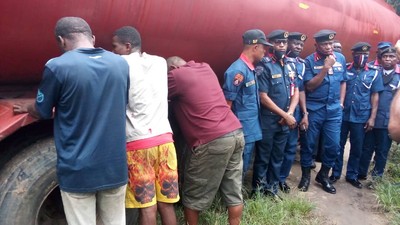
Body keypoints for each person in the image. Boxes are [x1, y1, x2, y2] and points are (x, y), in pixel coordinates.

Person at [13, 17, 129, 225]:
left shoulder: (58, 67)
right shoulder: (120, 64)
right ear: (92, 38)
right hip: (114, 167)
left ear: (62, 40)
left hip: (78, 170)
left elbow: (43, 111)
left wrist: (29, 105)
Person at [112, 26, 179, 225]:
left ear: (127, 46)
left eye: (115, 46)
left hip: (138, 145)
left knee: (147, 206)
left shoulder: (120, 63)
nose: (113, 51)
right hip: (165, 142)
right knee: (166, 203)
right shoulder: (159, 62)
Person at [167, 56, 244, 225]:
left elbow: (155, 95)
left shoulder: (176, 76)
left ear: (172, 68)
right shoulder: (206, 67)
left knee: (193, 193)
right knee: (233, 189)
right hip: (235, 132)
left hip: (211, 139)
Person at [330, 42, 383, 189]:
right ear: (353, 55)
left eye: (365, 55)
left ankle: (352, 175)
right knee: (337, 145)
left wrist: (372, 118)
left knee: (357, 147)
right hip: (343, 114)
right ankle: (335, 173)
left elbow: (375, 96)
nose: (362, 57)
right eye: (359, 54)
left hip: (361, 116)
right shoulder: (345, 69)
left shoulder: (374, 72)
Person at [252, 29, 299, 196]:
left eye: (284, 42)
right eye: (278, 42)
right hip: (269, 120)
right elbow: (263, 96)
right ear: (271, 44)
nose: (281, 45)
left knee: (278, 156)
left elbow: (296, 91)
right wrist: (284, 115)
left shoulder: (291, 64)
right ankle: (258, 190)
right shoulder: (264, 65)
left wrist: (290, 113)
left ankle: (271, 189)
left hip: (285, 120)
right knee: (263, 157)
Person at [301, 29, 347, 194]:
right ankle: (305, 176)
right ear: (316, 45)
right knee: (309, 144)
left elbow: (343, 81)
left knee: (334, 145)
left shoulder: (340, 58)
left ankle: (323, 175)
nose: (329, 47)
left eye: (331, 43)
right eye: (324, 44)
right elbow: (309, 86)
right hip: (315, 108)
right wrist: (325, 69)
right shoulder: (309, 61)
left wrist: (341, 102)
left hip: (334, 110)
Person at [223, 29, 272, 178]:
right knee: (237, 169)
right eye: (264, 47)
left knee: (243, 167)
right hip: (241, 130)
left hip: (250, 128)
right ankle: (233, 200)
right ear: (255, 47)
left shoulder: (249, 68)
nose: (265, 51)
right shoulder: (237, 70)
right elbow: (227, 105)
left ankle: (237, 197)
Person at [359, 47, 400, 179]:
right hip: (371, 118)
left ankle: (376, 178)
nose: (388, 59)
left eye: (391, 56)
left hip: (387, 121)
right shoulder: (374, 73)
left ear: (397, 58)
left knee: (382, 151)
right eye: (385, 56)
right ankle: (361, 174)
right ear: (380, 59)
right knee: (366, 148)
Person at [279, 31, 308, 193]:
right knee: (276, 147)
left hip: (294, 111)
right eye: (295, 43)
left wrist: (304, 113)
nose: (298, 47)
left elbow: (301, 89)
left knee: (290, 147)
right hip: (278, 111)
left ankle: (282, 179)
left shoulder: (302, 64)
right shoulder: (276, 60)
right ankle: (271, 178)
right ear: (287, 43)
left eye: (301, 45)